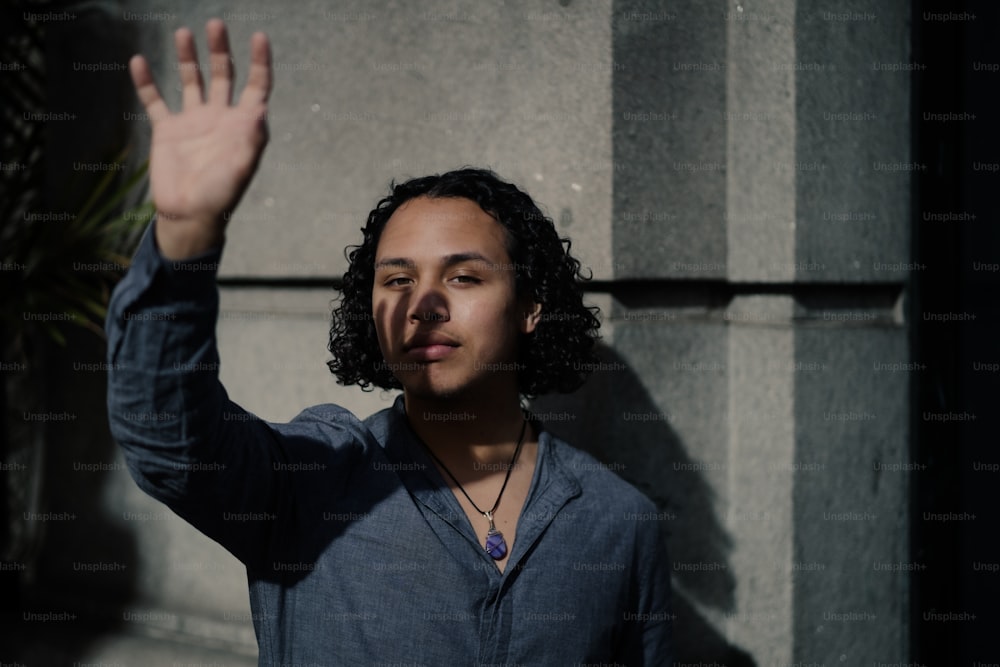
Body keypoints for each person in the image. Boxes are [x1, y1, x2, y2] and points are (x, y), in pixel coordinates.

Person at [107, 19, 673, 666]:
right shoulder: (313, 479)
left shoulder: (618, 521)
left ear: (530, 307)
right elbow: (165, 438)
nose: (423, 303)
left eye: (464, 276)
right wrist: (186, 238)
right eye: (397, 278)